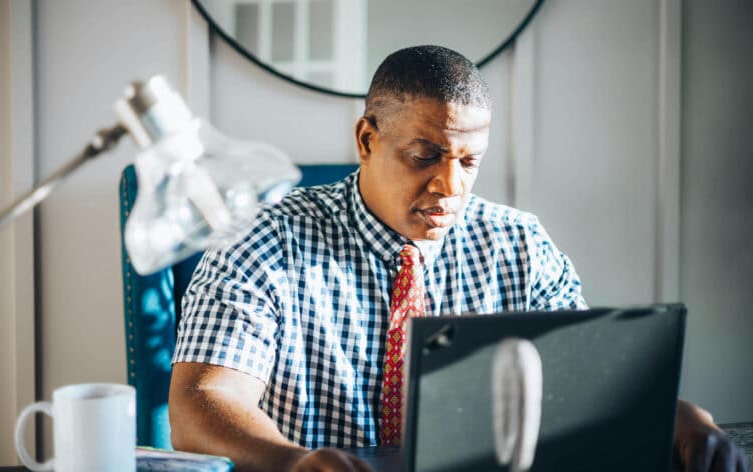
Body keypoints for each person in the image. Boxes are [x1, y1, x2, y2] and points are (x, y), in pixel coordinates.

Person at [168, 46, 749, 472]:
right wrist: (293, 464)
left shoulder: (518, 244)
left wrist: (679, 418)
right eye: (426, 155)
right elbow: (202, 403)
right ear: (367, 140)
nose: (450, 185)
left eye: (469, 162)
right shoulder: (262, 240)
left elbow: (585, 384)